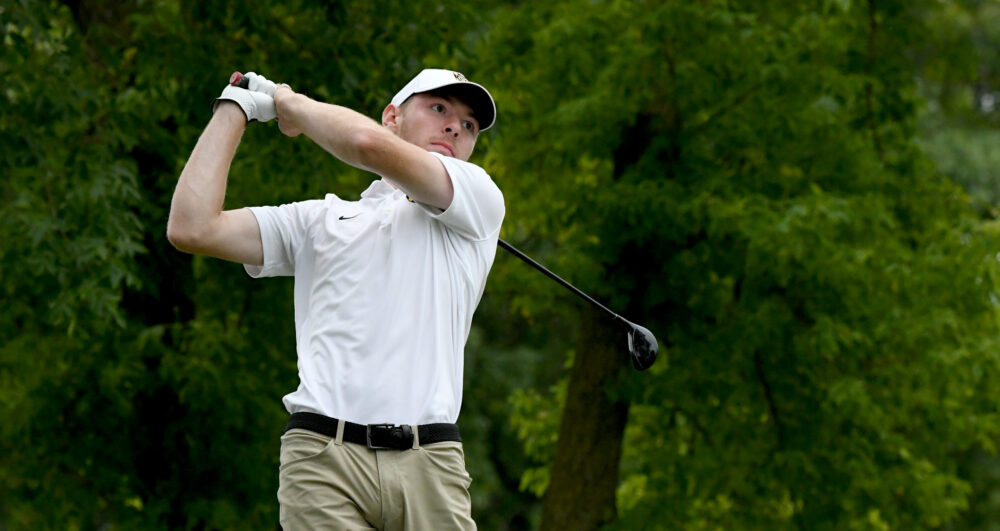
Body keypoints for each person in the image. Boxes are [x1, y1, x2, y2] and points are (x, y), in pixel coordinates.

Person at [167, 68, 504, 530]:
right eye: (439, 109)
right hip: (323, 460)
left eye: (469, 126)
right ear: (392, 117)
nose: (454, 127)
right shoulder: (320, 220)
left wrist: (288, 103)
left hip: (431, 463)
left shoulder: (478, 200)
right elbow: (192, 226)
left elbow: (366, 146)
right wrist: (235, 106)